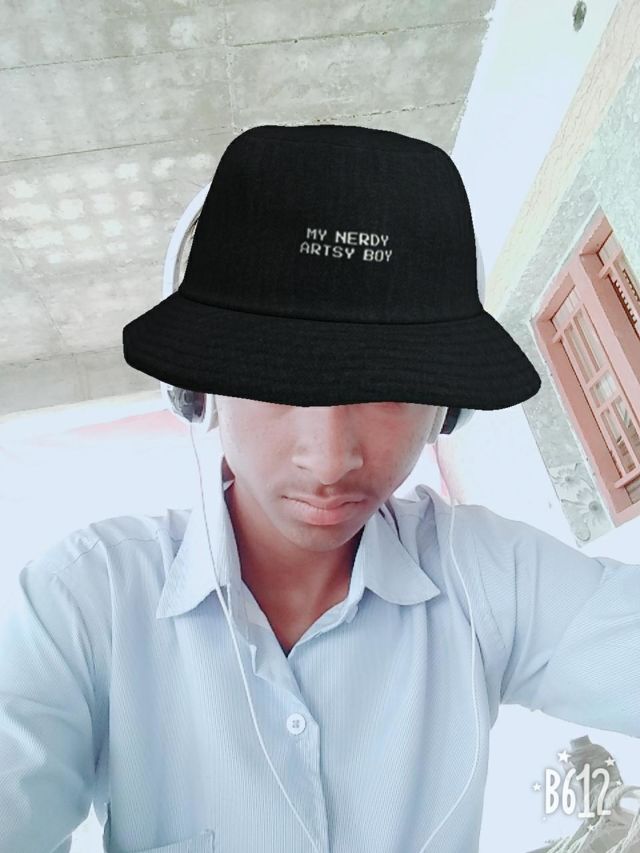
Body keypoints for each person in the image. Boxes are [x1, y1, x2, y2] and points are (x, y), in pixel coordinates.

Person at [1, 123, 638, 853]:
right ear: (199, 393)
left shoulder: (490, 579)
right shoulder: (84, 601)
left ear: (444, 411)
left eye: (388, 389)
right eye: (277, 384)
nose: (330, 459)